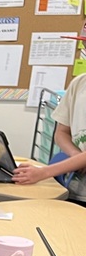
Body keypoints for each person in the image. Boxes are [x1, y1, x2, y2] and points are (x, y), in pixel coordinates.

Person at [12, 73, 86, 201]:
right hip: (74, 187)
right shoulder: (79, 83)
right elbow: (61, 133)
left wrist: (43, 172)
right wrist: (75, 154)